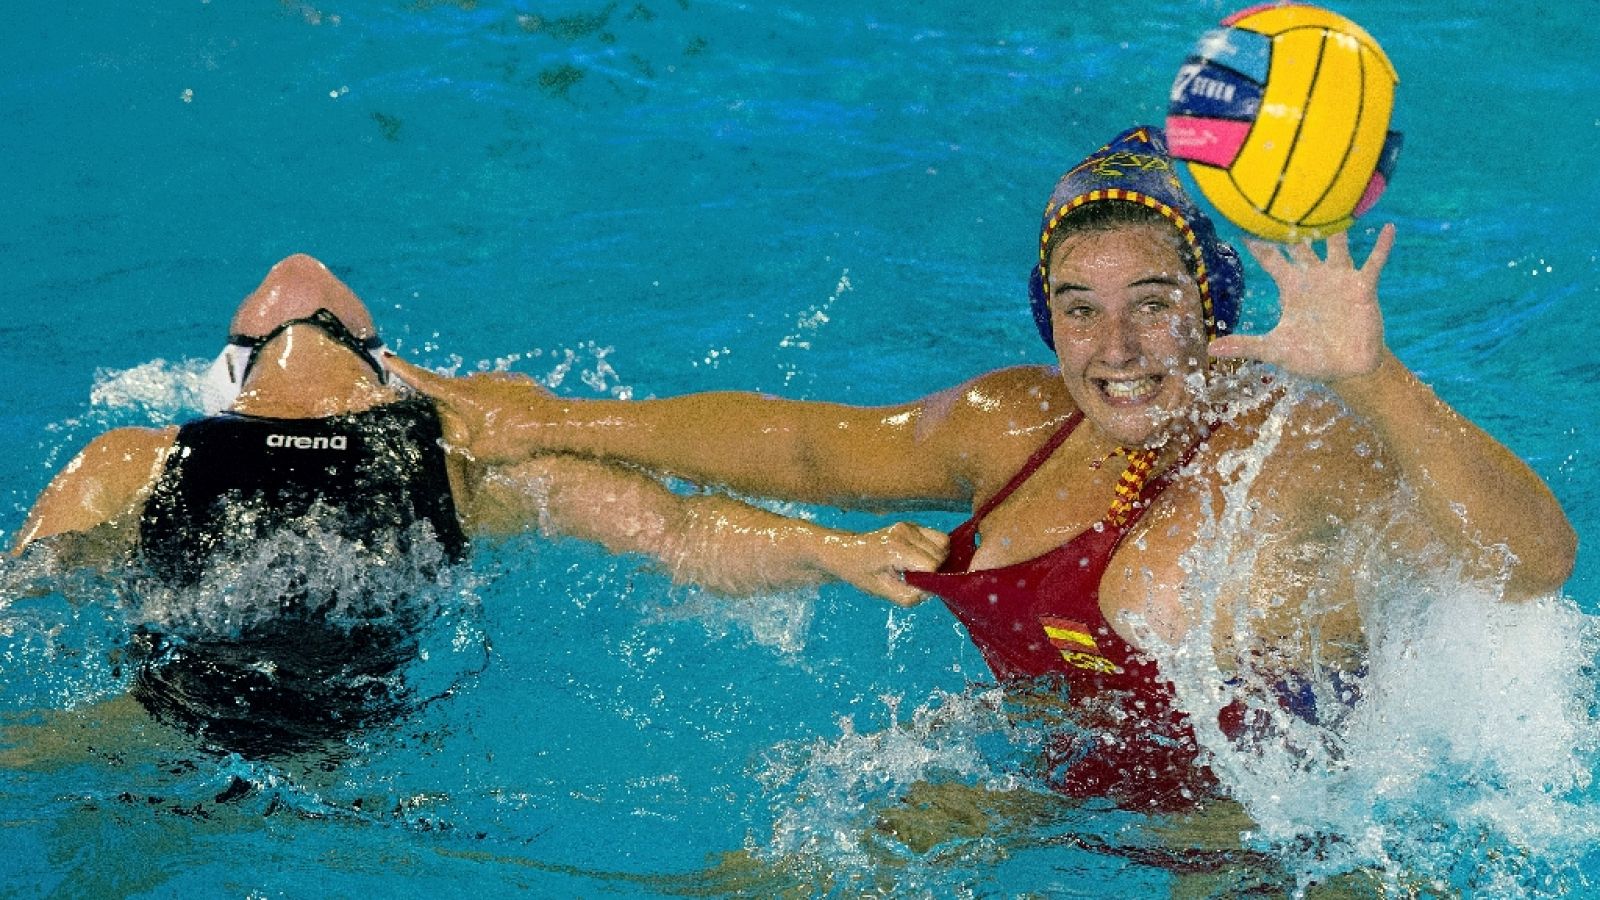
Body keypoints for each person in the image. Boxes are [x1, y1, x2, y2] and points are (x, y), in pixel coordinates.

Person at [388, 126, 1576, 813]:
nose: (1112, 351)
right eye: (1078, 310)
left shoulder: (1295, 450)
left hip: (1261, 849)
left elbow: (1531, 563)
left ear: (1215, 306)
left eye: (1152, 305)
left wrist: (1370, 376)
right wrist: (553, 423)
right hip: (1033, 782)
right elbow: (802, 445)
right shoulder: (1017, 422)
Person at [9, 253, 947, 756]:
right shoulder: (459, 462)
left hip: (170, 709)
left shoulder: (134, 459)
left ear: (227, 374)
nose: (296, 284)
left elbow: (26, 598)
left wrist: (839, 549)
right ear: (386, 365)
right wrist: (831, 549)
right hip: (363, 724)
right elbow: (680, 533)